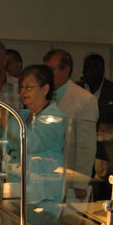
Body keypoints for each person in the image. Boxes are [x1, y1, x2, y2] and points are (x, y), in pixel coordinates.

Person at [0, 65, 66, 225]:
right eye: (21, 87)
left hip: (43, 195)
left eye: (29, 87)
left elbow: (30, 143)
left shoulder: (54, 117)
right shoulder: (25, 115)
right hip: (19, 190)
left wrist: (1, 110)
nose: (23, 92)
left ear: (45, 89)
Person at [43, 49, 98, 202]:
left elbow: (86, 146)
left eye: (51, 70)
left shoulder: (85, 99)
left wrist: (81, 182)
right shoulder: (44, 95)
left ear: (66, 70)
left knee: (68, 223)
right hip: (45, 174)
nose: (46, 75)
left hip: (69, 176)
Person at [80, 53, 113, 201]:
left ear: (102, 71)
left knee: (101, 196)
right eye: (87, 69)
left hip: (104, 153)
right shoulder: (78, 91)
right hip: (81, 151)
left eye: (95, 69)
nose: (90, 73)